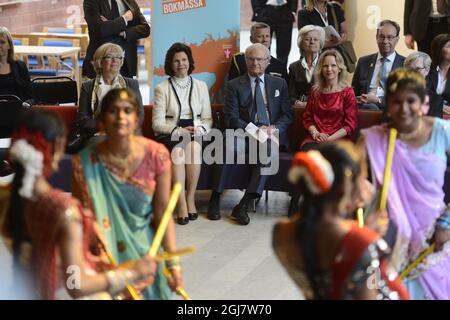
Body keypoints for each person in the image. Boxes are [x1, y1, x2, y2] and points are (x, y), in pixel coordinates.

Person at [0, 109, 157, 300]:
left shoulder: (7, 199)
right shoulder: (64, 211)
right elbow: (76, 285)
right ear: (56, 147)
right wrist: (134, 273)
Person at [72, 88, 183, 299]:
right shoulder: (85, 162)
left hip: (145, 257)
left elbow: (163, 214)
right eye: (113, 110)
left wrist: (173, 264)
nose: (120, 116)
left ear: (138, 118)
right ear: (102, 120)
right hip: (105, 260)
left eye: (127, 110)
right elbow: (81, 221)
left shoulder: (156, 155)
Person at [273, 141, 410, 300]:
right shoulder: (362, 243)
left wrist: (364, 232)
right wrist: (367, 240)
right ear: (346, 188)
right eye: (363, 179)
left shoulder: (281, 233)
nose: (365, 189)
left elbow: (325, 281)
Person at [360, 68, 450, 299]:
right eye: (396, 102)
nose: (403, 108)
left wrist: (447, 223)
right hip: (386, 238)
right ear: (387, 104)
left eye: (411, 101)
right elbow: (352, 188)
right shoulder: (371, 138)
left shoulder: (442, 132)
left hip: (432, 238)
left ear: (424, 103)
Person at [207, 43, 293, 224]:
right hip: (243, 133)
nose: (255, 63)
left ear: (268, 62)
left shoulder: (280, 83)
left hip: (268, 134)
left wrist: (273, 129)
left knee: (270, 152)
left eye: (259, 59)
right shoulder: (234, 85)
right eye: (251, 59)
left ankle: (244, 204)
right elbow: (231, 117)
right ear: (245, 61)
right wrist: (254, 130)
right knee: (228, 146)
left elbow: (287, 114)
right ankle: (215, 198)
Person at [153, 43, 212, 225]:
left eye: (184, 60)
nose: (181, 64)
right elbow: (156, 123)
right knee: (178, 151)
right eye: (176, 61)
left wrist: (201, 129)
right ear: (170, 64)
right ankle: (180, 204)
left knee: (194, 147)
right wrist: (177, 130)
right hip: (171, 132)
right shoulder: (162, 88)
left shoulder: (201, 86)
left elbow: (207, 119)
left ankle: (190, 199)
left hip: (195, 129)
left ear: (189, 61)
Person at [72, 43, 143, 153]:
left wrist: (119, 129)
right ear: (100, 61)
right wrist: (104, 128)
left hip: (126, 132)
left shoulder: (131, 84)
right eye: (110, 57)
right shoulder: (88, 86)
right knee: (98, 145)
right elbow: (83, 119)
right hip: (97, 134)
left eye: (118, 57)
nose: (115, 61)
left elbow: (139, 114)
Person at [302, 49, 357, 148]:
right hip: (316, 138)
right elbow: (307, 118)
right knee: (308, 154)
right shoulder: (314, 92)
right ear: (321, 69)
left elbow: (350, 125)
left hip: (339, 139)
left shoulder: (348, 92)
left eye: (333, 65)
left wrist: (329, 139)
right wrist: (316, 133)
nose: (329, 69)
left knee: (332, 155)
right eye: (325, 66)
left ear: (339, 68)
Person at [83, 0, 150, 78]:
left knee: (129, 90)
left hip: (126, 64)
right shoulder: (91, 2)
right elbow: (100, 29)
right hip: (100, 64)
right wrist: (125, 18)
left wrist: (120, 31)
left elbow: (145, 29)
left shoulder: (129, 1)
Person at [352, 20, 405, 110]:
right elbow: (353, 92)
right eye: (381, 37)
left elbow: (404, 98)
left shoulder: (404, 64)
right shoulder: (364, 62)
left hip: (392, 111)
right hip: (364, 108)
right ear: (376, 37)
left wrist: (378, 101)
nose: (385, 41)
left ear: (397, 39)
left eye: (390, 37)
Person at [251, 0, 298, 66]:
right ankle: (263, 70)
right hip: (265, 11)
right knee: (263, 45)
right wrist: (257, 10)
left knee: (284, 47)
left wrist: (293, 10)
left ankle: (281, 72)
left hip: (285, 11)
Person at [288, 25, 325, 107]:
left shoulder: (327, 64)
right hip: (300, 109)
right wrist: (297, 103)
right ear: (301, 43)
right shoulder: (293, 67)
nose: (312, 42)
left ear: (320, 43)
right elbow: (291, 96)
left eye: (316, 39)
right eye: (307, 39)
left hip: (323, 108)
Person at [404, 51, 443, 117]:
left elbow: (433, 125)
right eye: (409, 70)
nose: (413, 73)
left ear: (427, 70)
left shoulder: (435, 99)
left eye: (418, 69)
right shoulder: (397, 94)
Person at [0, 27, 32, 104]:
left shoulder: (20, 66)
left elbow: (30, 95)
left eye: (2, 42)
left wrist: (27, 103)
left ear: (9, 45)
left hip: (17, 110)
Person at [428, 33, 450, 115]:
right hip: (430, 113)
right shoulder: (427, 69)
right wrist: (440, 106)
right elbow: (423, 94)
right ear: (439, 49)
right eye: (449, 46)